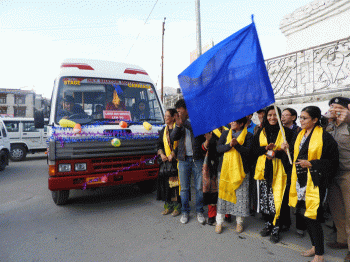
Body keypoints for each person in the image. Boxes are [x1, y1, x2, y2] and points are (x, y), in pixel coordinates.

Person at [283, 106, 339, 262]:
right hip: (300, 181)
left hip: (315, 181)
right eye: (300, 117)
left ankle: (319, 254)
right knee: (303, 214)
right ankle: (315, 246)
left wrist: (312, 164)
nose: (301, 120)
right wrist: (287, 149)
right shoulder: (300, 134)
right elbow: (295, 156)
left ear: (315, 120)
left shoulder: (325, 138)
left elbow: (333, 163)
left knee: (312, 216)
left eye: (304, 118)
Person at [252, 105, 294, 243]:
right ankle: (269, 223)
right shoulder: (261, 131)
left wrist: (281, 150)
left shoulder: (286, 132)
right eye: (269, 115)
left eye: (275, 115)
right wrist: (266, 149)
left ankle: (277, 227)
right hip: (264, 169)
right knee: (266, 199)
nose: (272, 118)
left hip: (280, 170)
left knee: (278, 199)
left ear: (279, 116)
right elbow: (253, 151)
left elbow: (291, 155)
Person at [170, 99, 206, 225]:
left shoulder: (196, 118)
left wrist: (184, 123)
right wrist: (178, 125)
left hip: (197, 158)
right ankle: (185, 212)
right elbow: (173, 137)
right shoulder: (179, 122)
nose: (178, 114)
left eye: (180, 111)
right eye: (177, 112)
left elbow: (199, 133)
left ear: (186, 110)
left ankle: (199, 212)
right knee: (184, 189)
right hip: (183, 160)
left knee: (199, 187)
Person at [214, 117, 253, 234]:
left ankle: (239, 222)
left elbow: (249, 153)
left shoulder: (248, 135)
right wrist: (229, 145)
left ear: (241, 124)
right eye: (231, 120)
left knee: (241, 198)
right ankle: (219, 222)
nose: (231, 122)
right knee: (223, 197)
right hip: (225, 171)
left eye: (234, 121)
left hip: (242, 172)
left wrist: (237, 145)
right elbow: (218, 148)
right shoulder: (226, 133)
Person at [326, 97, 350, 262]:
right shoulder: (329, 126)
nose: (332, 109)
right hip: (333, 174)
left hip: (348, 174)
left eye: (336, 107)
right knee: (338, 211)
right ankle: (342, 240)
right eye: (331, 106)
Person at [282, 107, 304, 237]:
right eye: (282, 115)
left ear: (293, 117)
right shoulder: (280, 131)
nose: (283, 117)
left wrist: (289, 149)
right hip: (283, 168)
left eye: (286, 115)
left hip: (297, 168)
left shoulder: (299, 131)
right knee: (284, 196)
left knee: (299, 197)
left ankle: (301, 226)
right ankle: (285, 223)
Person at [156, 109, 181, 217]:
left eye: (167, 116)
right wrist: (162, 154)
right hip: (166, 163)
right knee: (165, 185)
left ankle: (177, 207)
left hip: (175, 162)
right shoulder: (163, 130)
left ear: (173, 117)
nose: (165, 118)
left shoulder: (178, 129)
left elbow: (181, 145)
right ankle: (168, 206)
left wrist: (173, 154)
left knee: (174, 186)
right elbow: (159, 145)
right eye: (165, 116)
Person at [202, 126, 227, 226]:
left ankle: (227, 214)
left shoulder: (229, 130)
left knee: (225, 189)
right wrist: (207, 141)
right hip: (211, 163)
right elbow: (203, 149)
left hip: (226, 162)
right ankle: (212, 215)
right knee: (212, 190)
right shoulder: (209, 130)